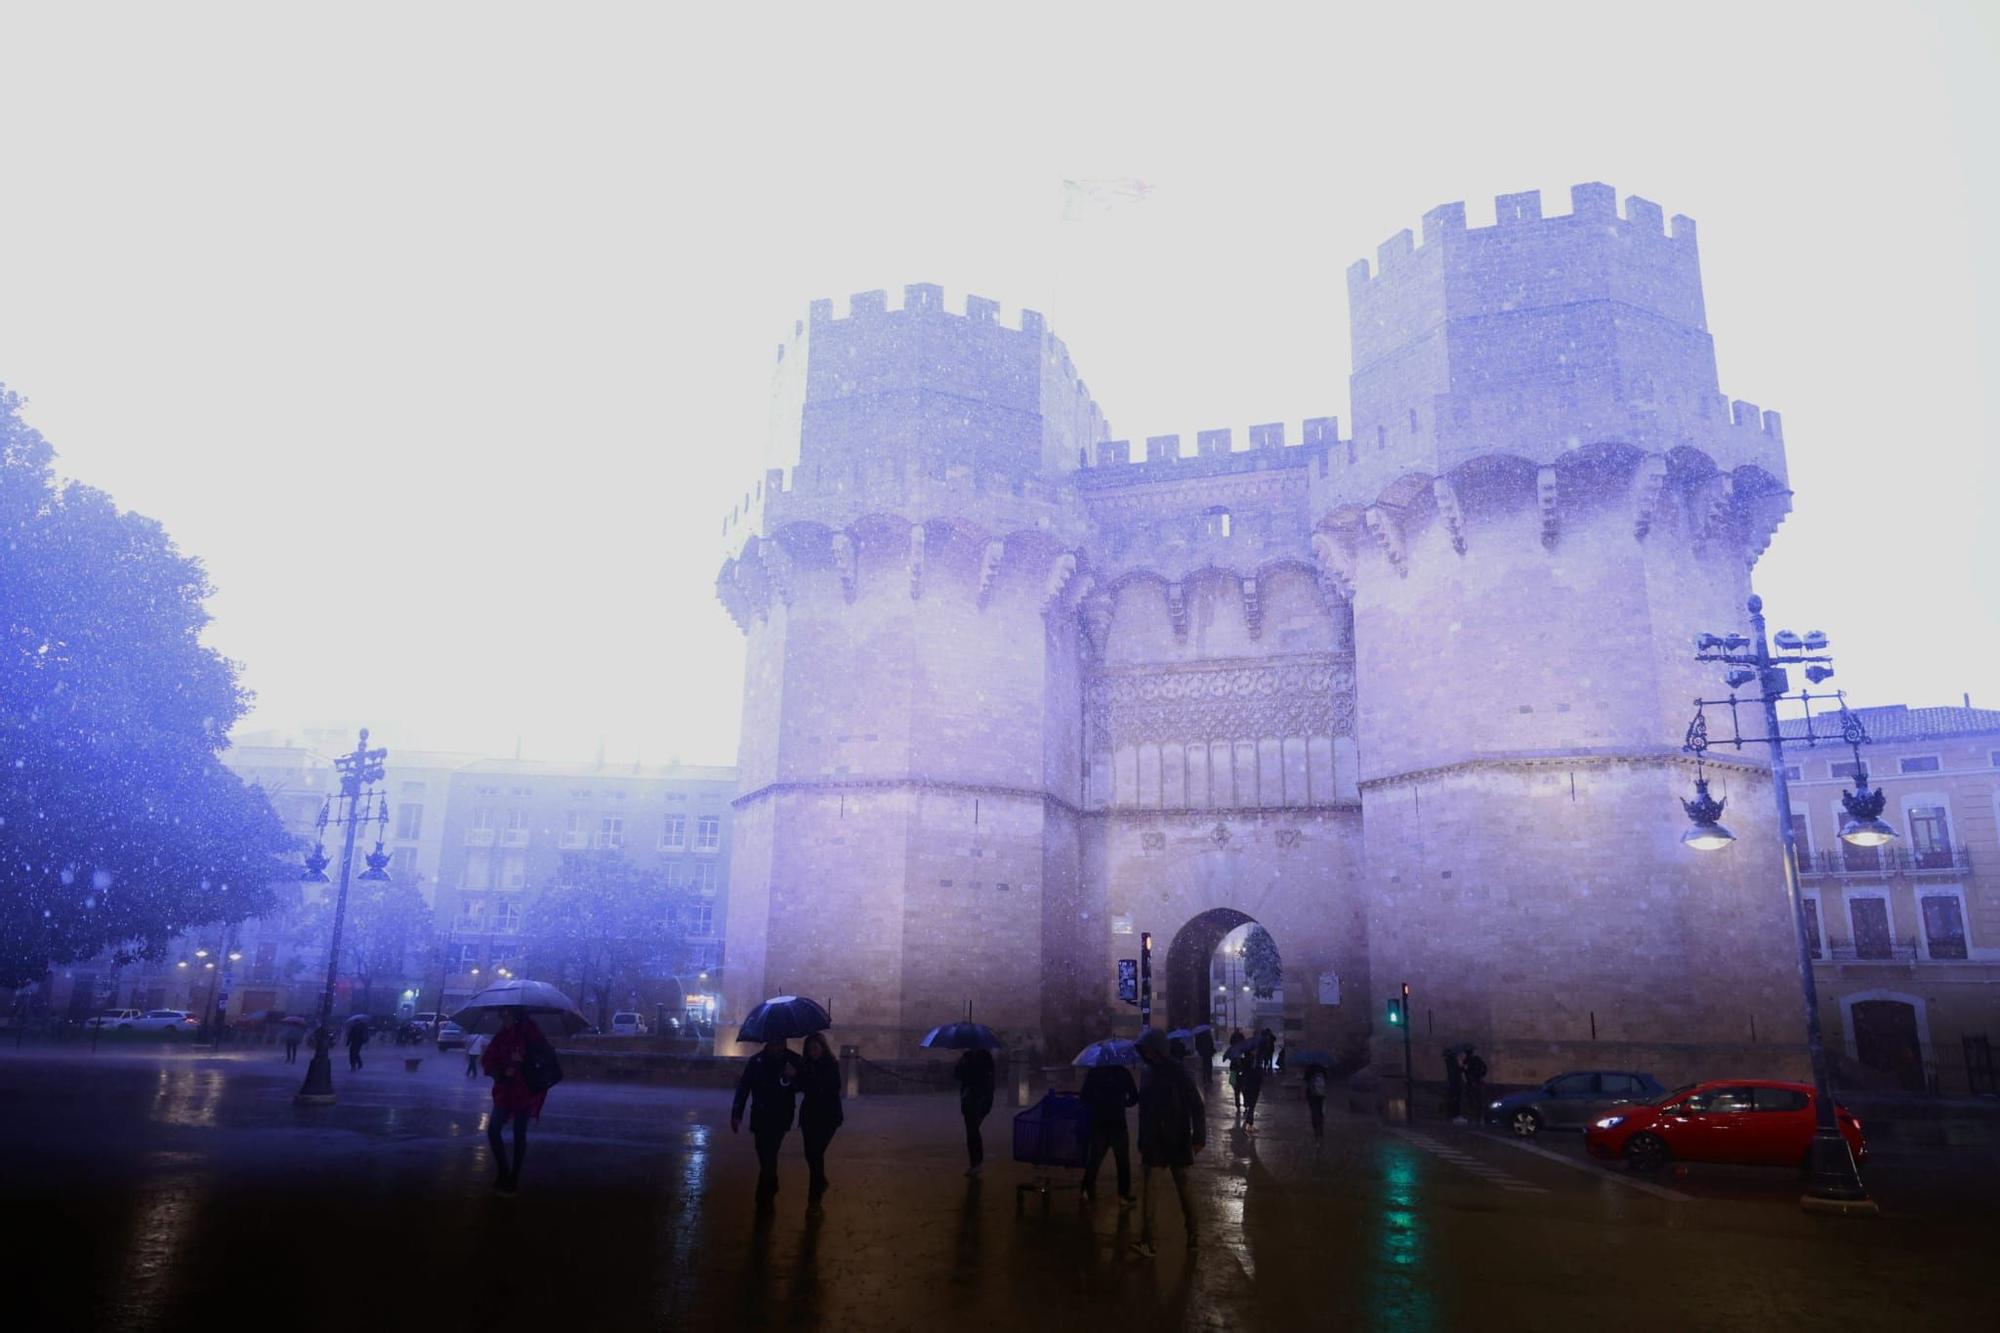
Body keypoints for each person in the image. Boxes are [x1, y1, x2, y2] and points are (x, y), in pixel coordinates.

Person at [1133, 1027, 1205, 1257]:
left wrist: (1198, 1136)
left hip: (1175, 1136)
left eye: (1150, 1050)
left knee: (1183, 1187)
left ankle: (1193, 1232)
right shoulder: (1148, 1071)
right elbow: (1145, 1109)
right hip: (1154, 1139)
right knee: (1150, 1190)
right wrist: (1142, 1139)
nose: (1148, 1055)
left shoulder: (1178, 1072)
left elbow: (1196, 1104)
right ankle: (1148, 1240)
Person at [480, 1008, 554, 1196]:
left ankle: (513, 1177)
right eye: (501, 1015)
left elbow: (546, 1059)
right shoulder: (502, 1036)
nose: (502, 1019)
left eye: (505, 1015)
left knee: (519, 1135)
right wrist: (504, 1070)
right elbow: (489, 1059)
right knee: (493, 1130)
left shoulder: (532, 1034)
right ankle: (503, 1171)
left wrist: (525, 1061)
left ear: (515, 1016)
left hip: (526, 1093)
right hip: (505, 1092)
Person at [732, 1036, 804, 1202]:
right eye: (775, 1042)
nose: (779, 1046)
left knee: (770, 1151)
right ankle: (771, 1182)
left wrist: (792, 1077)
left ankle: (764, 1195)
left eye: (781, 1042)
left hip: (781, 1115)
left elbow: (802, 1086)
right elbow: (744, 1087)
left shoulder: (793, 1060)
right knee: (762, 1150)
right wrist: (737, 1114)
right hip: (760, 1114)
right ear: (768, 1042)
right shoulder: (756, 1061)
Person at [1079, 1056, 1139, 1205]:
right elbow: (1134, 1097)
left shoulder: (1094, 1073)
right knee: (1122, 1161)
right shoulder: (1123, 1073)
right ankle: (1123, 1194)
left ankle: (1087, 1189)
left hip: (1099, 1121)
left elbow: (1084, 1097)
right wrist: (1122, 1102)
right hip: (1118, 1122)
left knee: (1095, 1158)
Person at [797, 1033, 843, 1206]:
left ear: (823, 1048)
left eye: (815, 1048)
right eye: (809, 1049)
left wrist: (806, 1078)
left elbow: (829, 1088)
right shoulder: (806, 1065)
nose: (813, 1052)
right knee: (811, 1155)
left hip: (827, 1117)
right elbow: (800, 1086)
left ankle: (814, 1197)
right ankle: (820, 1182)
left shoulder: (831, 1065)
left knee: (815, 1153)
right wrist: (792, 1077)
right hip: (809, 1117)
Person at [953, 1045, 997, 1178]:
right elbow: (957, 1075)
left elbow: (979, 1077)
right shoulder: (970, 1057)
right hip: (971, 1099)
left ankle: (976, 1163)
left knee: (973, 1131)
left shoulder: (982, 1058)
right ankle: (976, 1163)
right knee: (972, 1131)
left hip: (977, 1099)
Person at [1238, 1039, 1265, 1133]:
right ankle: (1249, 1119)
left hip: (1254, 1084)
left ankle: (1250, 1121)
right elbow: (1243, 1070)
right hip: (1248, 1084)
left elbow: (1260, 1072)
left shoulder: (1258, 1060)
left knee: (1252, 1104)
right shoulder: (1246, 1060)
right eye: (1254, 1050)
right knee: (1250, 1102)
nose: (1256, 1051)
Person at [1303, 1062, 1329, 1144]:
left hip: (1311, 1094)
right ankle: (1320, 1129)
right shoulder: (1322, 1068)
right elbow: (1327, 1078)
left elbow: (1306, 1080)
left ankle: (1316, 1130)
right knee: (1320, 1110)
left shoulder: (1309, 1068)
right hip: (1321, 1094)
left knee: (1314, 1111)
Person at [1462, 1047, 1488, 1117]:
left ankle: (1475, 1114)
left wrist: (1479, 1076)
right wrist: (1481, 1075)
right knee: (1476, 1098)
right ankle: (1477, 1114)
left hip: (1474, 1081)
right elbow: (1485, 1068)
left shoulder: (1470, 1060)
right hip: (1475, 1081)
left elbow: (1465, 1071)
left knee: (1474, 1098)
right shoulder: (1471, 1060)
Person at [1444, 1047, 1465, 1122]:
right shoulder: (1452, 1062)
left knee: (1454, 1099)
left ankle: (1454, 1115)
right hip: (1455, 1084)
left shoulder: (1449, 1062)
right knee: (1456, 1100)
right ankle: (1456, 1116)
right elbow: (1455, 1073)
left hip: (1454, 1083)